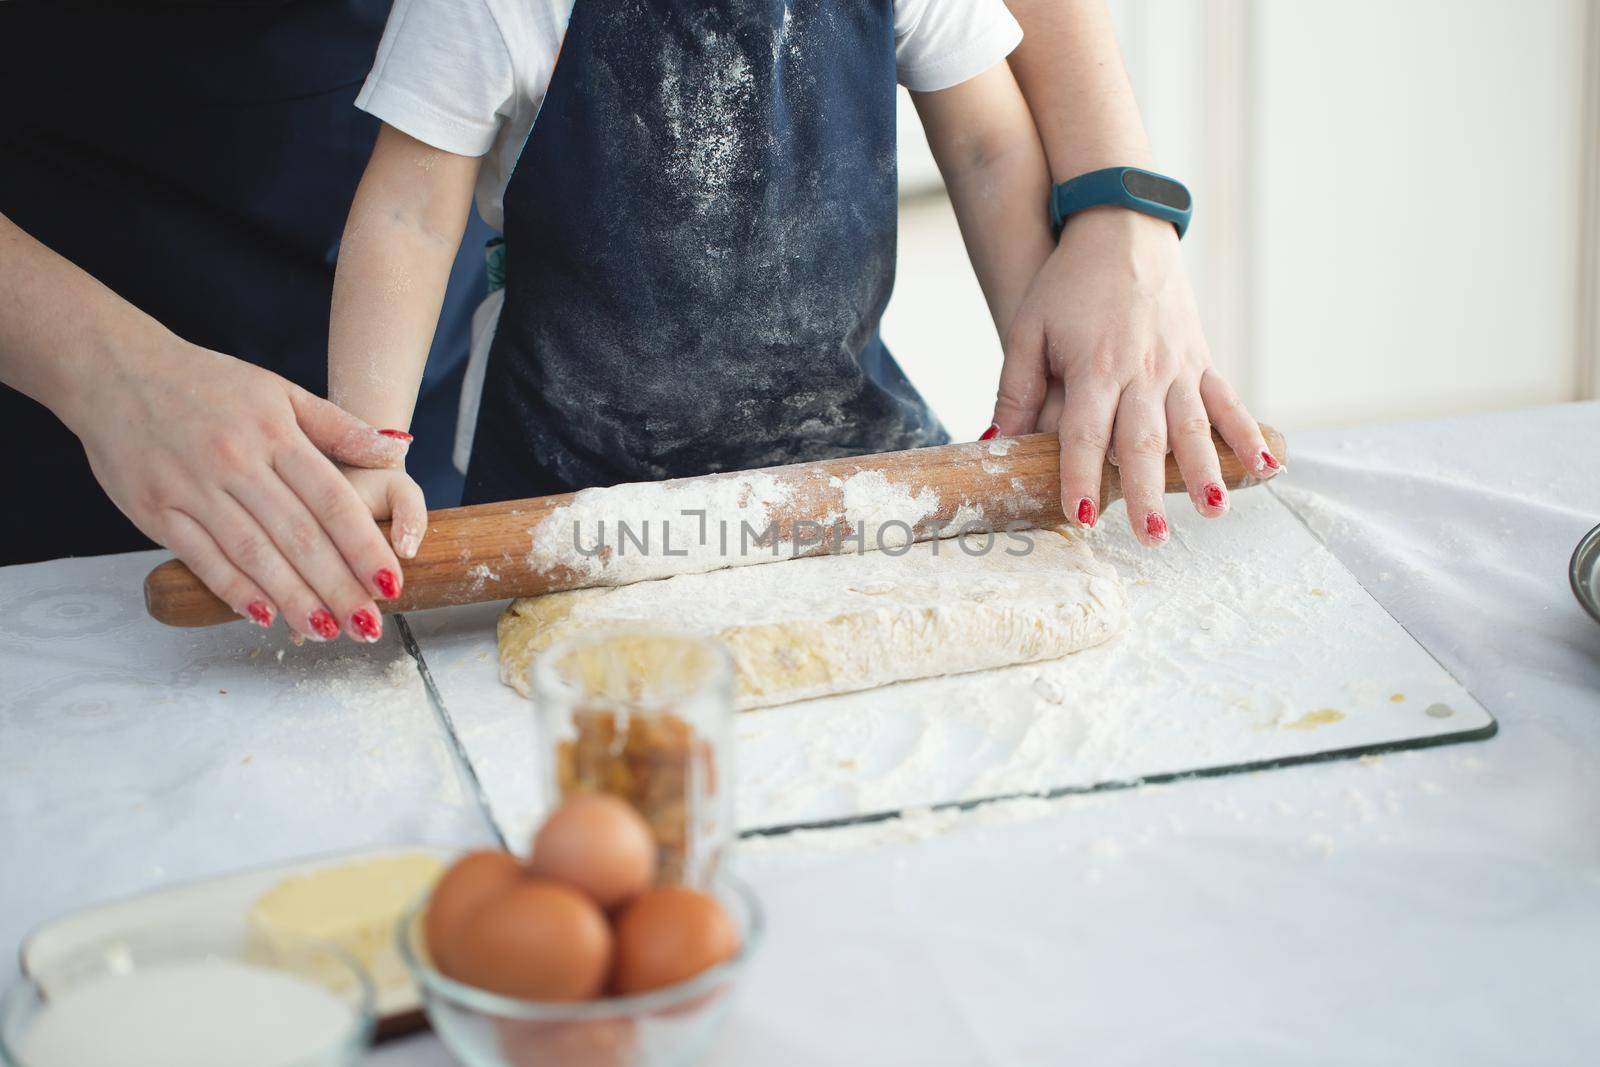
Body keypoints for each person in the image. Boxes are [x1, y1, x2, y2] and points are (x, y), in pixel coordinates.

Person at [328, 0, 1279, 562]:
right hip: (572, 491)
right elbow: (407, 216)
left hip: (851, 474)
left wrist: (1062, 392)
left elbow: (991, 149)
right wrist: (371, 452)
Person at [0, 0, 492, 643]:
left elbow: (418, 202)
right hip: (55, 315)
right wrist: (111, 374)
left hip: (410, 358)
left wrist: (373, 448)